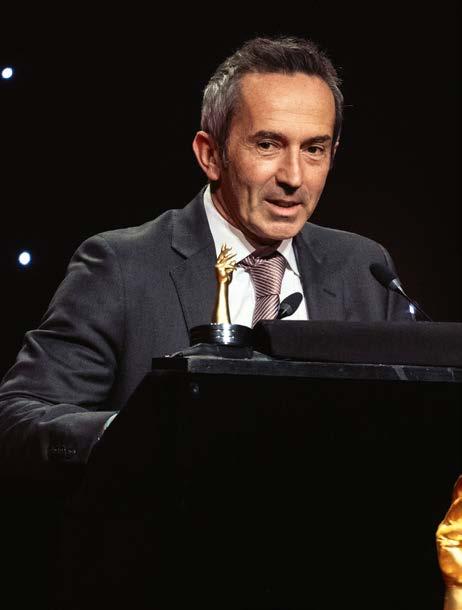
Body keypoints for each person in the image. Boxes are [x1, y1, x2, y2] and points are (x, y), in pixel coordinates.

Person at [0, 35, 413, 478]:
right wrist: (138, 434)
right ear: (211, 154)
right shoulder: (120, 267)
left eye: (314, 149)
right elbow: (18, 418)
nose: (294, 177)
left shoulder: (364, 269)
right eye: (268, 145)